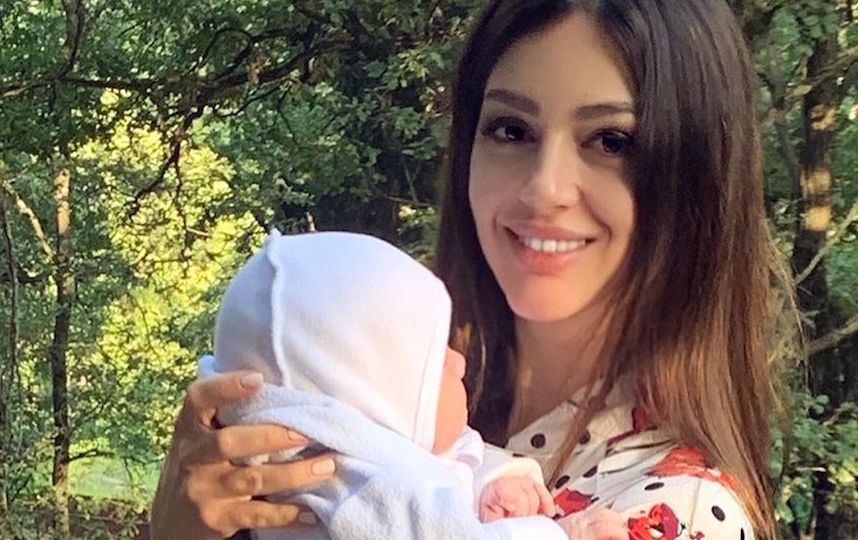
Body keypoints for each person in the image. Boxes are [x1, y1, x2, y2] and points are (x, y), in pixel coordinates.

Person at [150, 1, 788, 539]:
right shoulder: (367, 379)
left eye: (612, 141)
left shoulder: (678, 512)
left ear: (698, 180)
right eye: (511, 129)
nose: (544, 188)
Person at [197, 230, 623, 539]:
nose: (459, 363)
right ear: (375, 400)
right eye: (435, 360)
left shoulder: (377, 455)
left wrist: (495, 481)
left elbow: (454, 456)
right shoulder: (358, 488)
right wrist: (564, 533)